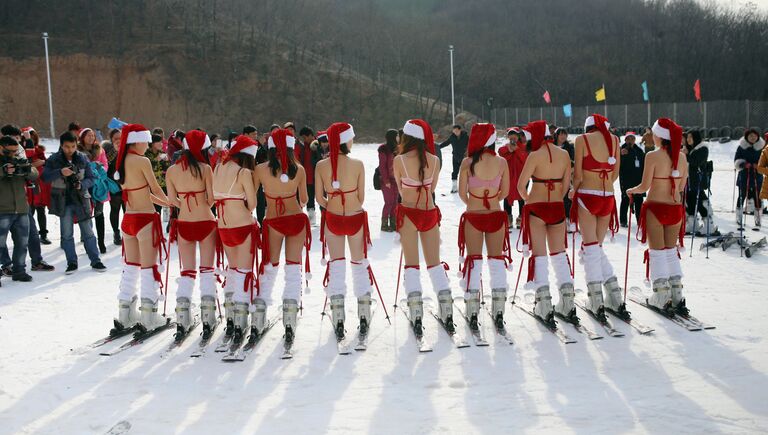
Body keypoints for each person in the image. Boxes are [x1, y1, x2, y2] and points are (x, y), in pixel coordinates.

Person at [394, 119, 456, 335]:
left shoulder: (399, 161)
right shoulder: (434, 160)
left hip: (409, 213)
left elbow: (401, 190)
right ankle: (446, 306)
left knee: (412, 265)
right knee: (434, 263)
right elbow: (432, 188)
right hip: (429, 212)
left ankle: (416, 311)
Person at [315, 122, 375, 339]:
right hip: (355, 216)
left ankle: (338, 316)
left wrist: (332, 202)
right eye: (351, 138)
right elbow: (361, 197)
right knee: (359, 264)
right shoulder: (358, 164)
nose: (353, 141)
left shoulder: (321, 166)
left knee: (337, 265)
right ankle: (364, 313)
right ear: (344, 141)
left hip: (332, 217)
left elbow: (318, 198)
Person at [254, 128, 310, 348]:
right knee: (293, 269)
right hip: (295, 218)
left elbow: (252, 196)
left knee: (270, 268)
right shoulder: (300, 170)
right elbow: (304, 200)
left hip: (273, 221)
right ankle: (289, 317)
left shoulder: (260, 169)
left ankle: (258, 317)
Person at [111, 124, 170, 334]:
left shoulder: (120, 161)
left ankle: (124, 314)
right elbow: (155, 188)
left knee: (130, 268)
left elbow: (141, 192)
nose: (148, 145)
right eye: (145, 141)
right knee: (148, 268)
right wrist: (172, 203)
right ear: (137, 141)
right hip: (145, 219)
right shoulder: (142, 161)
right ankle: (149, 315)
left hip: (128, 219)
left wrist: (169, 203)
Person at [626, 118, 689, 314]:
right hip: (675, 208)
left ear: (659, 136)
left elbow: (645, 186)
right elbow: (680, 186)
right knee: (671, 251)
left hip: (655, 207)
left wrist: (632, 190)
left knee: (657, 252)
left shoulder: (652, 156)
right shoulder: (682, 157)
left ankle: (660, 295)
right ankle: (677, 293)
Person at [516, 121, 572, 324]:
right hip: (557, 206)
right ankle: (568, 302)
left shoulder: (534, 155)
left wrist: (528, 199)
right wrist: (557, 196)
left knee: (539, 255)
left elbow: (521, 185)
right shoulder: (564, 154)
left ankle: (544, 303)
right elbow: (566, 185)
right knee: (559, 255)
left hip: (537, 207)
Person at [457, 123, 511, 329]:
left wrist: (474, 200)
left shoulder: (467, 163)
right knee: (497, 261)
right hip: (496, 214)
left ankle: (472, 309)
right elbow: (505, 192)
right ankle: (498, 309)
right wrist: (493, 197)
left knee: (474, 260)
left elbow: (462, 193)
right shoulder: (502, 162)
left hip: (474, 214)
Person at [166, 129, 219, 339]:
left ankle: (182, 318)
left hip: (184, 222)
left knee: (186, 271)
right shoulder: (206, 169)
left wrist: (184, 204)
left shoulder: (172, 171)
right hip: (206, 220)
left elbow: (172, 200)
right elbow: (212, 199)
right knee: (207, 269)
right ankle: (208, 317)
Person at [570, 114, 622, 321]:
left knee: (591, 247)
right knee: (596, 247)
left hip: (588, 196)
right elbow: (615, 173)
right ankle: (614, 292)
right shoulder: (615, 141)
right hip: (608, 196)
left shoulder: (582, 140)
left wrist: (574, 189)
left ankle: (596, 299)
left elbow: (579, 175)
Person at [213, 135, 259, 346]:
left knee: (232, 272)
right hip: (242, 225)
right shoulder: (244, 172)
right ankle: (240, 320)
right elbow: (252, 204)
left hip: (223, 226)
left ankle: (231, 317)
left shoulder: (219, 167)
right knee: (243, 273)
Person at [43, 131, 106, 274]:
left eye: (72, 146)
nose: (70, 150)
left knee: (88, 232)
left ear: (76, 145)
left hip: (81, 199)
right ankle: (71, 262)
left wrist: (81, 184)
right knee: (66, 234)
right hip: (62, 200)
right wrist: (60, 172)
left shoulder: (83, 158)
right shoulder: (54, 159)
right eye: (66, 147)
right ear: (61, 145)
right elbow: (45, 177)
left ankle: (95, 260)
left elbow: (91, 178)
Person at [0, 135, 39, 282]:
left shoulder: (18, 158)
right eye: (9, 151)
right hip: (2, 210)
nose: (13, 154)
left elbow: (35, 174)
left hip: (21, 209)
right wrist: (4, 171)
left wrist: (26, 168)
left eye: (16, 151)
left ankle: (19, 270)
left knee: (22, 243)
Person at [79, 127, 109, 253]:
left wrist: (100, 170)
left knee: (99, 214)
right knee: (86, 215)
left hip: (98, 185)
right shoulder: (78, 151)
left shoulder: (99, 150)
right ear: (82, 137)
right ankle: (89, 242)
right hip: (85, 185)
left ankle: (101, 242)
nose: (91, 137)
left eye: (92, 135)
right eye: (88, 135)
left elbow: (105, 164)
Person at [684, 130, 716, 235]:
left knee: (701, 201)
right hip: (689, 180)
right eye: (687, 137)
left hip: (698, 180)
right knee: (690, 201)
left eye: (690, 137)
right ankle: (693, 224)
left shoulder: (702, 148)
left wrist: (686, 155)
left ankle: (709, 224)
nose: (688, 139)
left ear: (696, 138)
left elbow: (695, 162)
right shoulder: (691, 149)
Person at [24, 127, 52, 245]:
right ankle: (28, 234)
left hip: (40, 182)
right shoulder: (21, 150)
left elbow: (46, 162)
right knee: (30, 210)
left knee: (41, 209)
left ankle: (43, 233)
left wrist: (42, 162)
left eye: (33, 137)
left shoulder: (39, 150)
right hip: (29, 183)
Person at [734, 128, 765, 229]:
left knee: (758, 197)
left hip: (757, 175)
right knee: (742, 195)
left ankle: (758, 217)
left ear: (758, 137)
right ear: (747, 137)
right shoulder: (741, 147)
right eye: (751, 136)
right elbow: (737, 160)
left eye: (755, 136)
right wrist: (743, 164)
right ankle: (739, 216)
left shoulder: (762, 147)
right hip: (744, 174)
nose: (753, 137)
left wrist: (759, 166)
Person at [498, 128, 527, 229]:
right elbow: (500, 153)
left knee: (522, 198)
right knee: (506, 197)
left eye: (515, 134)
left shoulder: (523, 147)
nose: (513, 136)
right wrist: (509, 149)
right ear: (508, 136)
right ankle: (508, 217)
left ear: (519, 136)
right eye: (510, 134)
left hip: (521, 177)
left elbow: (525, 159)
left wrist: (517, 150)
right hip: (508, 178)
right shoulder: (504, 148)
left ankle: (521, 217)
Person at [103, 128, 124, 245]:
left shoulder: (127, 148)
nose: (118, 140)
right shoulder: (107, 149)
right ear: (111, 139)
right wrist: (116, 151)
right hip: (113, 184)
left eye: (120, 138)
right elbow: (105, 164)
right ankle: (116, 233)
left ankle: (128, 232)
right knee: (115, 209)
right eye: (115, 138)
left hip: (126, 184)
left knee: (128, 210)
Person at [619, 133, 645, 227]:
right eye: (628, 139)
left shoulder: (639, 151)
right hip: (626, 179)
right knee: (625, 199)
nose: (630, 140)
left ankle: (640, 221)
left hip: (638, 179)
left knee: (639, 200)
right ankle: (623, 220)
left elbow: (644, 164)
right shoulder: (621, 150)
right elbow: (617, 164)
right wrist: (621, 155)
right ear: (625, 140)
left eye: (632, 138)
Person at [554, 127, 575, 230]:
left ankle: (568, 219)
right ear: (557, 135)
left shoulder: (570, 147)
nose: (562, 136)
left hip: (567, 174)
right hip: (554, 175)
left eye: (564, 134)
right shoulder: (552, 146)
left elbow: (572, 161)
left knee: (567, 197)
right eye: (560, 134)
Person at [296, 126, 318, 224]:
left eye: (305, 137)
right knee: (309, 198)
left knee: (322, 196)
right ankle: (311, 218)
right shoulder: (303, 147)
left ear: (310, 135)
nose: (304, 140)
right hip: (306, 177)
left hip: (317, 177)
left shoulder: (319, 145)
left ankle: (325, 217)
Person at [438, 124, 469, 193]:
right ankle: (454, 187)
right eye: (454, 131)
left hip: (464, 157)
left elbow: (471, 144)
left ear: (460, 130)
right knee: (455, 172)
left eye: (456, 131)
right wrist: (437, 147)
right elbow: (446, 143)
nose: (455, 132)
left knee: (466, 172)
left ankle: (466, 187)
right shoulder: (452, 137)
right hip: (455, 157)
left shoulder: (466, 137)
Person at [378, 129, 398, 232]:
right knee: (389, 202)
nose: (399, 138)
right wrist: (386, 181)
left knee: (395, 202)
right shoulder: (383, 149)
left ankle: (394, 223)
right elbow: (382, 167)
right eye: (397, 136)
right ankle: (384, 225)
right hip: (387, 180)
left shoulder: (398, 149)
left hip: (396, 179)